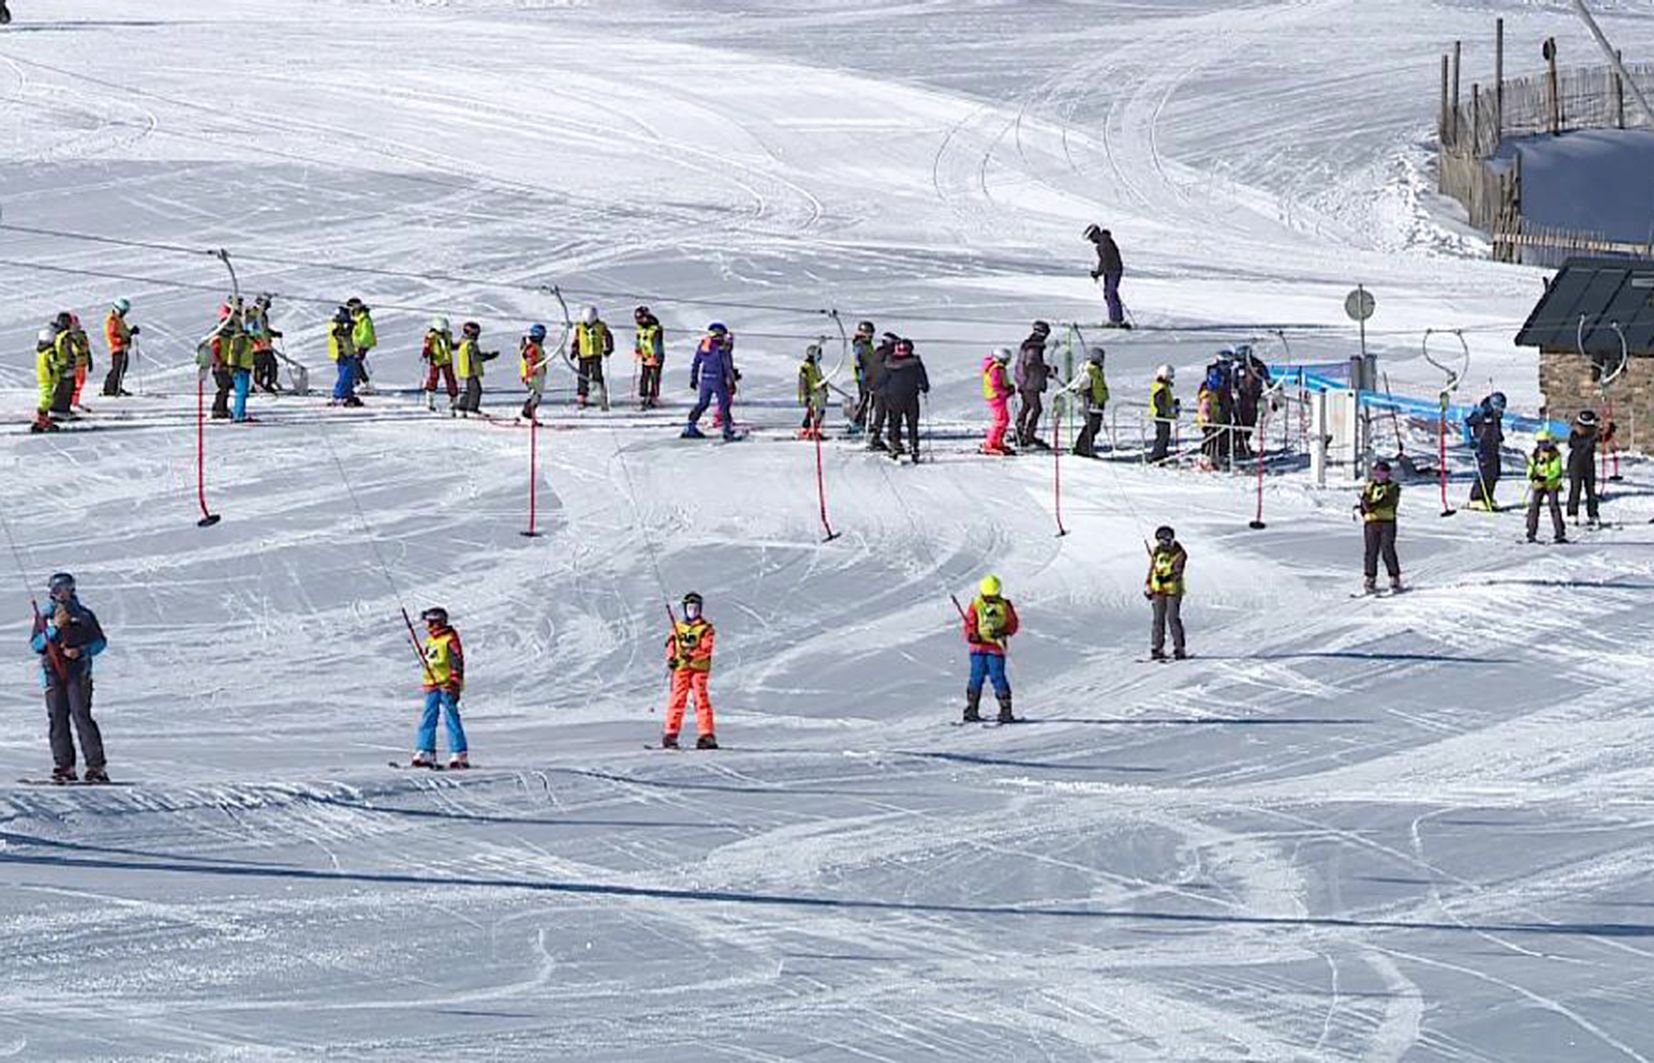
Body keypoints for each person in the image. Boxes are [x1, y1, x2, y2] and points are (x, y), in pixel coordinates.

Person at [30, 573, 109, 784]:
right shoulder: (45, 616)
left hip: (79, 672)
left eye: (67, 588)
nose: (63, 593)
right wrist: (54, 628)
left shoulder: (84, 616)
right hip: (52, 673)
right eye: (58, 589)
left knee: (81, 715)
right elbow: (36, 645)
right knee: (57, 718)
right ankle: (64, 766)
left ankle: (96, 766)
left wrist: (81, 651)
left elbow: (100, 642)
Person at [411, 606, 468, 770]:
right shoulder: (431, 640)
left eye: (429, 623)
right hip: (432, 684)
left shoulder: (449, 639)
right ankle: (425, 750)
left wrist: (455, 682)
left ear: (438, 623)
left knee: (451, 718)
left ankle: (459, 753)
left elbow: (457, 661)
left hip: (447, 684)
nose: (427, 627)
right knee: (428, 718)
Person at [663, 592, 718, 749]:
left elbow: (706, 648)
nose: (692, 610)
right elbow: (671, 644)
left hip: (698, 669)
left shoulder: (705, 628)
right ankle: (670, 733)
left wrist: (692, 655)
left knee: (700, 699)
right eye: (689, 607)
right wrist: (671, 659)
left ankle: (706, 734)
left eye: (695, 608)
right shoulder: (678, 627)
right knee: (677, 699)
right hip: (681, 668)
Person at [962, 575, 1019, 724]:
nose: (990, 601)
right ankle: (972, 708)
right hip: (978, 648)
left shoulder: (1005, 605)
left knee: (997, 676)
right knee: (976, 676)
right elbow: (970, 624)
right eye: (988, 597)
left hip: (996, 648)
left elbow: (1013, 624)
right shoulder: (976, 604)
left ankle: (1005, 709)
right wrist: (972, 635)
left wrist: (1003, 632)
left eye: (993, 598)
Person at [1355, 459, 1403, 594]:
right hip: (1371, 522)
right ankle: (1370, 577)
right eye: (1376, 473)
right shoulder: (1370, 486)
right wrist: (1364, 508)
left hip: (1387, 522)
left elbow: (1387, 501)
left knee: (1387, 550)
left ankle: (1394, 577)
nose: (1379, 476)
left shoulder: (1393, 487)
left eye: (1382, 473)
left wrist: (1372, 505)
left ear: (1388, 474)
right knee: (1371, 551)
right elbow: (1365, 500)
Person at [684, 323, 738, 440]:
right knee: (724, 405)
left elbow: (696, 362)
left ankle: (690, 426)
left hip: (705, 380)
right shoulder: (723, 349)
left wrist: (693, 378)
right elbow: (727, 366)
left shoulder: (704, 346)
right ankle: (727, 431)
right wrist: (732, 382)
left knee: (703, 403)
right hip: (718, 380)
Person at [880, 338, 930, 463]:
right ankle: (913, 446)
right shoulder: (915, 362)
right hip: (911, 397)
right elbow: (922, 378)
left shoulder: (889, 362)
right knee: (912, 423)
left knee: (895, 422)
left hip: (893, 397)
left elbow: (882, 378)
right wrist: (924, 387)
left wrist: (874, 387)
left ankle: (894, 446)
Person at [1145, 525, 1187, 660]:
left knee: (1173, 618)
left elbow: (1178, 570)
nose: (1162, 543)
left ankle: (1179, 648)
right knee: (1158, 620)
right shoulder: (1157, 552)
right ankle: (1157, 647)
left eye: (1164, 540)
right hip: (1158, 590)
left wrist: (1167, 577)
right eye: (1160, 541)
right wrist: (1148, 584)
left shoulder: (1179, 552)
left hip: (1173, 590)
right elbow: (1152, 569)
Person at [1064, 346, 1110, 458]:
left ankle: (1085, 446)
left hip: (1097, 403)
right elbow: (1082, 383)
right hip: (1091, 404)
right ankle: (1083, 448)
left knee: (1094, 426)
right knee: (1092, 426)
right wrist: (1080, 390)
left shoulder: (1096, 371)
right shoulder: (1090, 371)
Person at [1014, 321, 1052, 449]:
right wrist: (1046, 370)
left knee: (1027, 406)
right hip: (1029, 383)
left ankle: (1020, 433)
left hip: (1025, 381)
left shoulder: (1028, 345)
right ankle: (1028, 436)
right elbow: (1032, 365)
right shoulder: (1034, 347)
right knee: (1036, 408)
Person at [1525, 430, 1567, 544]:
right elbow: (1530, 468)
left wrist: (1546, 477)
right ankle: (1531, 532)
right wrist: (1533, 476)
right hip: (1539, 485)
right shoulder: (1535, 455)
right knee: (1534, 507)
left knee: (1554, 507)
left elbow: (1556, 470)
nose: (1542, 446)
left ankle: (1560, 533)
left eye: (1545, 443)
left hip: (1551, 485)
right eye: (1540, 443)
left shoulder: (1555, 455)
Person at [1465, 391, 1505, 510]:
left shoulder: (1497, 416)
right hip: (1482, 446)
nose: (1501, 410)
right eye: (1499, 406)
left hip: (1493, 447)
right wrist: (1469, 440)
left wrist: (1499, 436)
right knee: (1484, 473)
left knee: (1495, 473)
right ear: (1493, 404)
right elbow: (1466, 424)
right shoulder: (1482, 412)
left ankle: (1488, 497)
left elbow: (1495, 428)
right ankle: (1476, 498)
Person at [1084, 224, 1128, 328]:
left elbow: (1106, 261)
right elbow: (1104, 261)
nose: (1091, 241)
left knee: (1111, 293)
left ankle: (1116, 320)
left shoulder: (1104, 244)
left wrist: (1098, 273)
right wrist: (1099, 272)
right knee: (1109, 293)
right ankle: (1116, 318)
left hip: (1113, 271)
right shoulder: (1104, 242)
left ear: (1095, 234)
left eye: (1091, 237)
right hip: (1111, 271)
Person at [570, 305, 613, 410]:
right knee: (582, 376)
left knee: (597, 375)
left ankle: (600, 396)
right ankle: (582, 396)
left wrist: (608, 348)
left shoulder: (601, 326)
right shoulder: (580, 327)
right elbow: (576, 340)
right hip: (583, 355)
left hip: (595, 355)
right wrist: (574, 351)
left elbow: (608, 337)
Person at [1233, 345, 1271, 460]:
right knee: (1239, 422)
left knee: (1250, 421)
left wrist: (1271, 389)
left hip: (1253, 398)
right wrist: (1233, 390)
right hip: (1241, 398)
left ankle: (1244, 443)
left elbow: (1266, 378)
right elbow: (1233, 380)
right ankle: (1237, 444)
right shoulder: (1238, 368)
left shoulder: (1257, 365)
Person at [453, 321, 498, 416]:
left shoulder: (463, 342)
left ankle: (461, 407)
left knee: (470, 390)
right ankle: (472, 409)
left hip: (465, 370)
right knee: (476, 390)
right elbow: (476, 357)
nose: (477, 336)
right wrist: (488, 356)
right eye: (476, 334)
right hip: (471, 370)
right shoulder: (470, 344)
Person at [1566, 409, 1602, 528]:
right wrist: (1592, 439)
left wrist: (1608, 431)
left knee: (1591, 491)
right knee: (1576, 489)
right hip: (1576, 465)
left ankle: (1593, 514)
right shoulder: (1575, 434)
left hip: (1589, 465)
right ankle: (1572, 513)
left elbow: (1602, 439)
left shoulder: (1593, 433)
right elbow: (1577, 445)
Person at [208, 303, 242, 419]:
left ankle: (221, 408)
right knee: (224, 388)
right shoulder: (218, 338)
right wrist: (218, 362)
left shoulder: (228, 338)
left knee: (226, 387)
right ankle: (218, 409)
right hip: (220, 366)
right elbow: (214, 351)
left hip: (227, 364)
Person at [865, 331, 898, 450]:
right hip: (888, 390)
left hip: (877, 390)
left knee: (880, 415)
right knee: (893, 415)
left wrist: (870, 384)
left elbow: (869, 371)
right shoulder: (889, 357)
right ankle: (893, 439)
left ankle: (876, 437)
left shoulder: (876, 354)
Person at [980, 346, 1016, 456]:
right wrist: (1007, 391)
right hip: (996, 397)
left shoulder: (994, 367)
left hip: (996, 397)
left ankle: (997, 442)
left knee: (1004, 419)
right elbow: (996, 386)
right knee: (1001, 420)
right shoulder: (996, 369)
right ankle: (990, 443)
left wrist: (1008, 388)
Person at [246, 294, 283, 394]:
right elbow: (250, 329)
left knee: (272, 364)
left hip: (265, 344)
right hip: (257, 345)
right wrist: (255, 339)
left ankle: (270, 383)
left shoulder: (262, 314)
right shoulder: (252, 314)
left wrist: (273, 333)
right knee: (260, 365)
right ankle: (258, 384)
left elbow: (263, 328)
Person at [101, 298, 137, 398]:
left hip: (122, 347)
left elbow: (123, 332)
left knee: (122, 368)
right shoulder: (112, 320)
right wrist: (122, 341)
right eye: (122, 311)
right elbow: (112, 335)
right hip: (117, 348)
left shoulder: (119, 320)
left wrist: (131, 332)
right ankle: (109, 389)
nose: (124, 314)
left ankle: (116, 387)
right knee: (117, 368)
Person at [421, 317, 458, 412]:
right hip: (436, 361)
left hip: (447, 361)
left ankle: (454, 400)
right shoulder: (431, 337)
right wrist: (425, 354)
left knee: (450, 380)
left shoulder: (447, 335)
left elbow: (450, 346)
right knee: (433, 380)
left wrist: (458, 346)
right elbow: (427, 347)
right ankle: (430, 400)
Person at [327, 306, 360, 407]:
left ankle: (348, 393)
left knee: (350, 374)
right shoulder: (336, 326)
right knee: (344, 375)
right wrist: (348, 328)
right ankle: (339, 395)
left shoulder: (342, 326)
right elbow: (339, 335)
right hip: (343, 354)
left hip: (348, 353)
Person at [634, 306, 664, 410]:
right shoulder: (640, 329)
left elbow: (657, 344)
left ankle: (654, 396)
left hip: (655, 356)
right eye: (637, 318)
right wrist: (638, 349)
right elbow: (639, 340)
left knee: (654, 377)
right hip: (645, 356)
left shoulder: (655, 329)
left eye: (641, 318)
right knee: (644, 376)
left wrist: (656, 356)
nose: (639, 321)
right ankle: (643, 395)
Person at [31, 328, 61, 433]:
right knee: (47, 397)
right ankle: (42, 416)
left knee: (46, 395)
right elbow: (54, 364)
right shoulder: (50, 352)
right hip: (48, 377)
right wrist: (60, 366)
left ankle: (43, 417)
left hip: (42, 377)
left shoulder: (40, 351)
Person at [850, 319, 876, 436]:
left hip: (870, 375)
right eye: (869, 333)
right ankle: (857, 421)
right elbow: (857, 361)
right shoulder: (859, 345)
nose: (870, 336)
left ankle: (863, 420)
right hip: (864, 377)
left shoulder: (867, 345)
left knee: (869, 400)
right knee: (866, 399)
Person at [519, 323, 549, 421]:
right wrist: (532, 363)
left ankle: (529, 413)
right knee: (535, 395)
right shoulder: (531, 346)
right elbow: (528, 357)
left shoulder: (535, 345)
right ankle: (527, 413)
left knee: (537, 395)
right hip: (533, 374)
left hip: (537, 374)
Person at [797, 344, 828, 440]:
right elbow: (803, 382)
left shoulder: (815, 366)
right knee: (815, 412)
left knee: (817, 412)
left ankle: (811, 429)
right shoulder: (806, 367)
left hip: (818, 393)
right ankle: (811, 429)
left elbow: (819, 378)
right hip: (812, 394)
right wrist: (805, 395)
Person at [1149, 364, 1177, 464]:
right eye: (1170, 377)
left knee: (1165, 435)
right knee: (1162, 436)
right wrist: (1165, 410)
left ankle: (1162, 454)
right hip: (1161, 415)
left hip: (1163, 415)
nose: (1171, 380)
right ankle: (1157, 456)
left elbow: (1166, 401)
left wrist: (1173, 405)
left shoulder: (1163, 386)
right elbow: (1160, 402)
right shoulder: (1160, 387)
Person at [347, 298, 377, 390]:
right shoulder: (356, 316)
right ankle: (359, 382)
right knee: (354, 362)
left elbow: (366, 334)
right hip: (357, 344)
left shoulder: (364, 318)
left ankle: (361, 383)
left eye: (351, 307)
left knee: (356, 361)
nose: (350, 309)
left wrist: (358, 343)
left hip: (363, 344)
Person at [67, 313, 93, 412]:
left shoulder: (82, 334)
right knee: (74, 383)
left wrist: (89, 360)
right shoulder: (69, 336)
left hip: (82, 363)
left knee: (80, 383)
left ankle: (75, 401)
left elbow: (87, 349)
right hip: (75, 363)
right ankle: (71, 401)